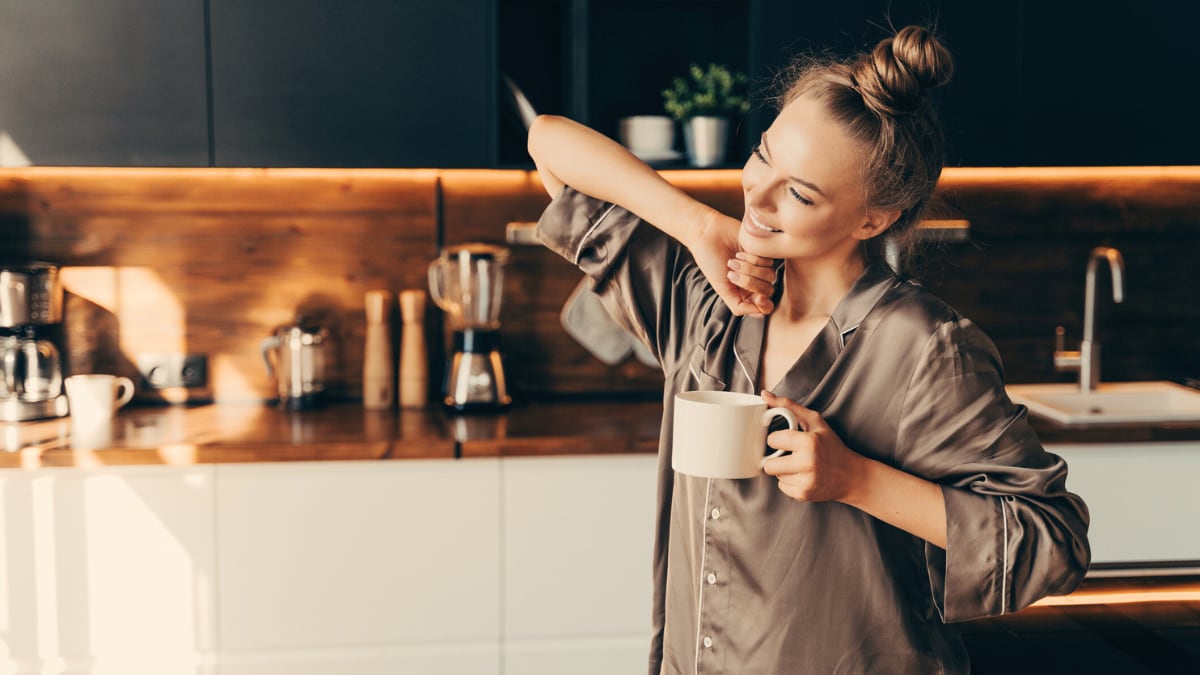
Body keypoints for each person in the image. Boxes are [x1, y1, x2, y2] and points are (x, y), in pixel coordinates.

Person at [528, 25, 1090, 675]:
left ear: (872, 219)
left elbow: (1051, 540)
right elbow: (548, 141)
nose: (758, 197)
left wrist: (855, 478)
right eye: (763, 156)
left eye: (799, 192)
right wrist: (697, 223)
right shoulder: (703, 303)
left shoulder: (922, 349)